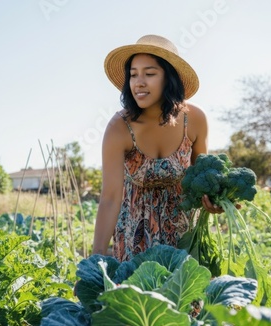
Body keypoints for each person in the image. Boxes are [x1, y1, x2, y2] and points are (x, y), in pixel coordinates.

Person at [92, 34, 222, 262]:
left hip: (184, 236)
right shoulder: (119, 127)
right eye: (133, 75)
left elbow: (201, 179)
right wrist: (94, 262)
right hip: (135, 237)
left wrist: (217, 198)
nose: (139, 82)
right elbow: (110, 198)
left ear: (169, 78)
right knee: (138, 296)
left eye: (149, 74)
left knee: (185, 294)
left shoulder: (195, 119)